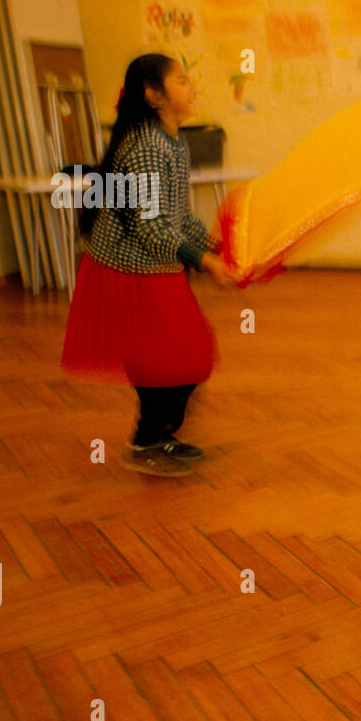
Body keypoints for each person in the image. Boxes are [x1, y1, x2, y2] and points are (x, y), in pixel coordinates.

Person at [61, 54, 239, 477]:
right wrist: (207, 262)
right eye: (181, 81)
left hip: (155, 266)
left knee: (187, 355)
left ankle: (155, 435)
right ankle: (147, 440)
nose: (192, 87)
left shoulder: (172, 142)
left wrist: (217, 248)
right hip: (128, 269)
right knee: (168, 358)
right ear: (153, 94)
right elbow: (153, 228)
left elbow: (178, 218)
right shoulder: (146, 147)